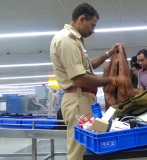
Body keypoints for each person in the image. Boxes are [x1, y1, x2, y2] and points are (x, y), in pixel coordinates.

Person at [50, 3, 131, 160]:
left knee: (88, 146)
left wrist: (108, 53)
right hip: (77, 100)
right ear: (82, 19)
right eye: (92, 25)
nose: (93, 30)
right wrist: (113, 80)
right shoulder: (67, 39)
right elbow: (80, 78)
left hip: (83, 100)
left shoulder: (76, 40)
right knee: (79, 150)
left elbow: (88, 67)